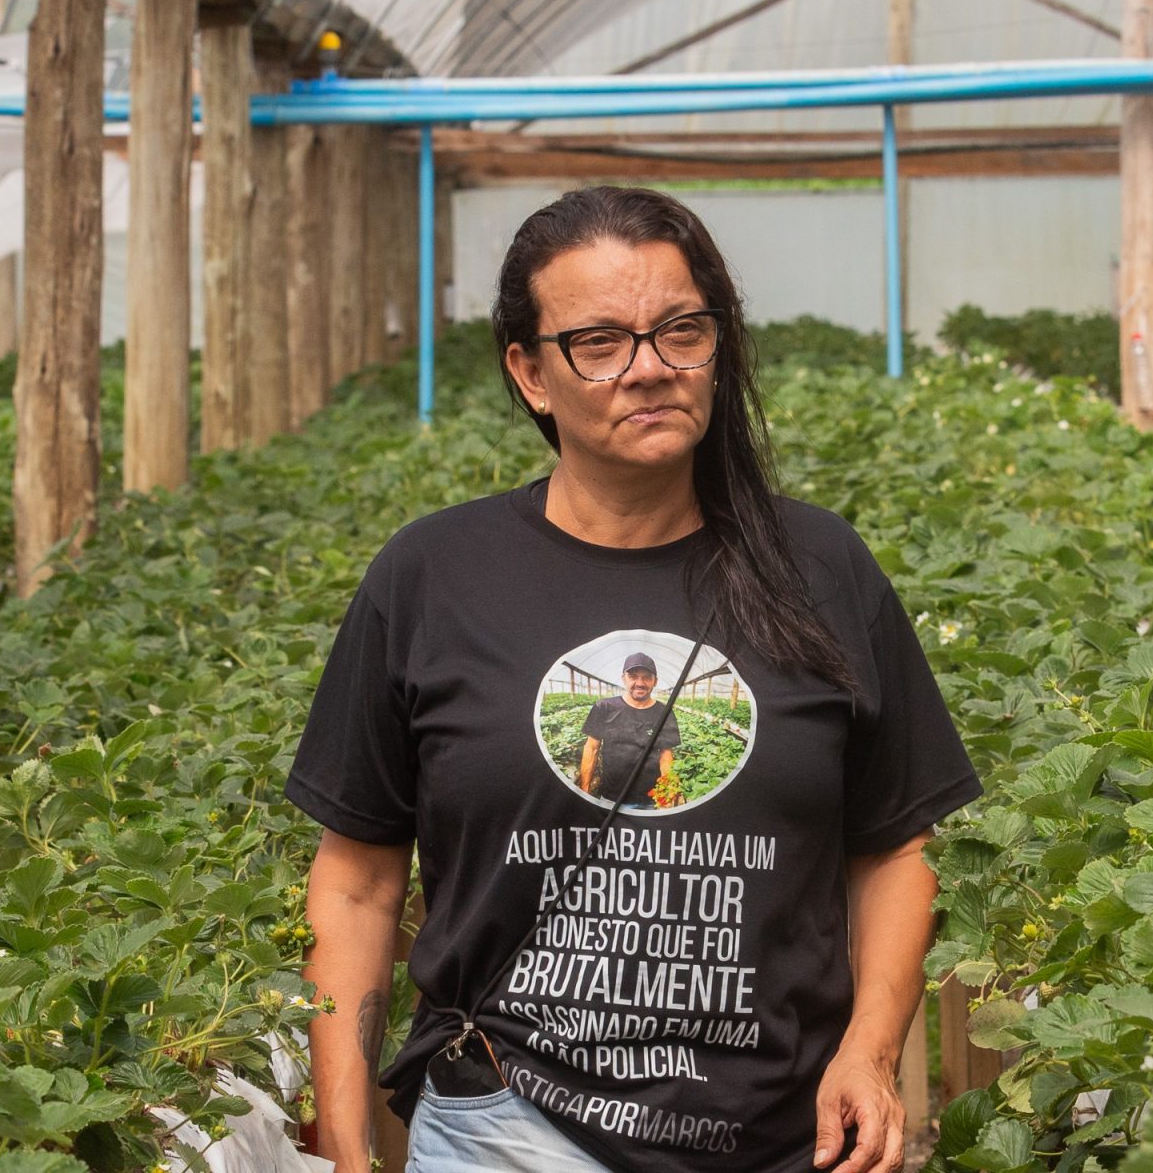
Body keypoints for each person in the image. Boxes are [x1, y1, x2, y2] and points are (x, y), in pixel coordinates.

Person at [284, 185, 982, 1173]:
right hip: (511, 1125)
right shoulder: (434, 576)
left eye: (681, 331)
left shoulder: (821, 568)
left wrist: (867, 1053)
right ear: (531, 373)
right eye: (600, 342)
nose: (649, 367)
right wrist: (349, 1148)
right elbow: (356, 885)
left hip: (783, 1136)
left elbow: (895, 846)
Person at [574, 651, 684, 803]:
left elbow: (666, 755)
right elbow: (591, 749)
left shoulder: (664, 713)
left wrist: (666, 794)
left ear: (655, 681)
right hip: (610, 798)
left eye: (647, 677)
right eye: (633, 676)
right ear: (623, 678)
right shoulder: (604, 708)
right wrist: (585, 791)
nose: (640, 683)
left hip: (650, 799)